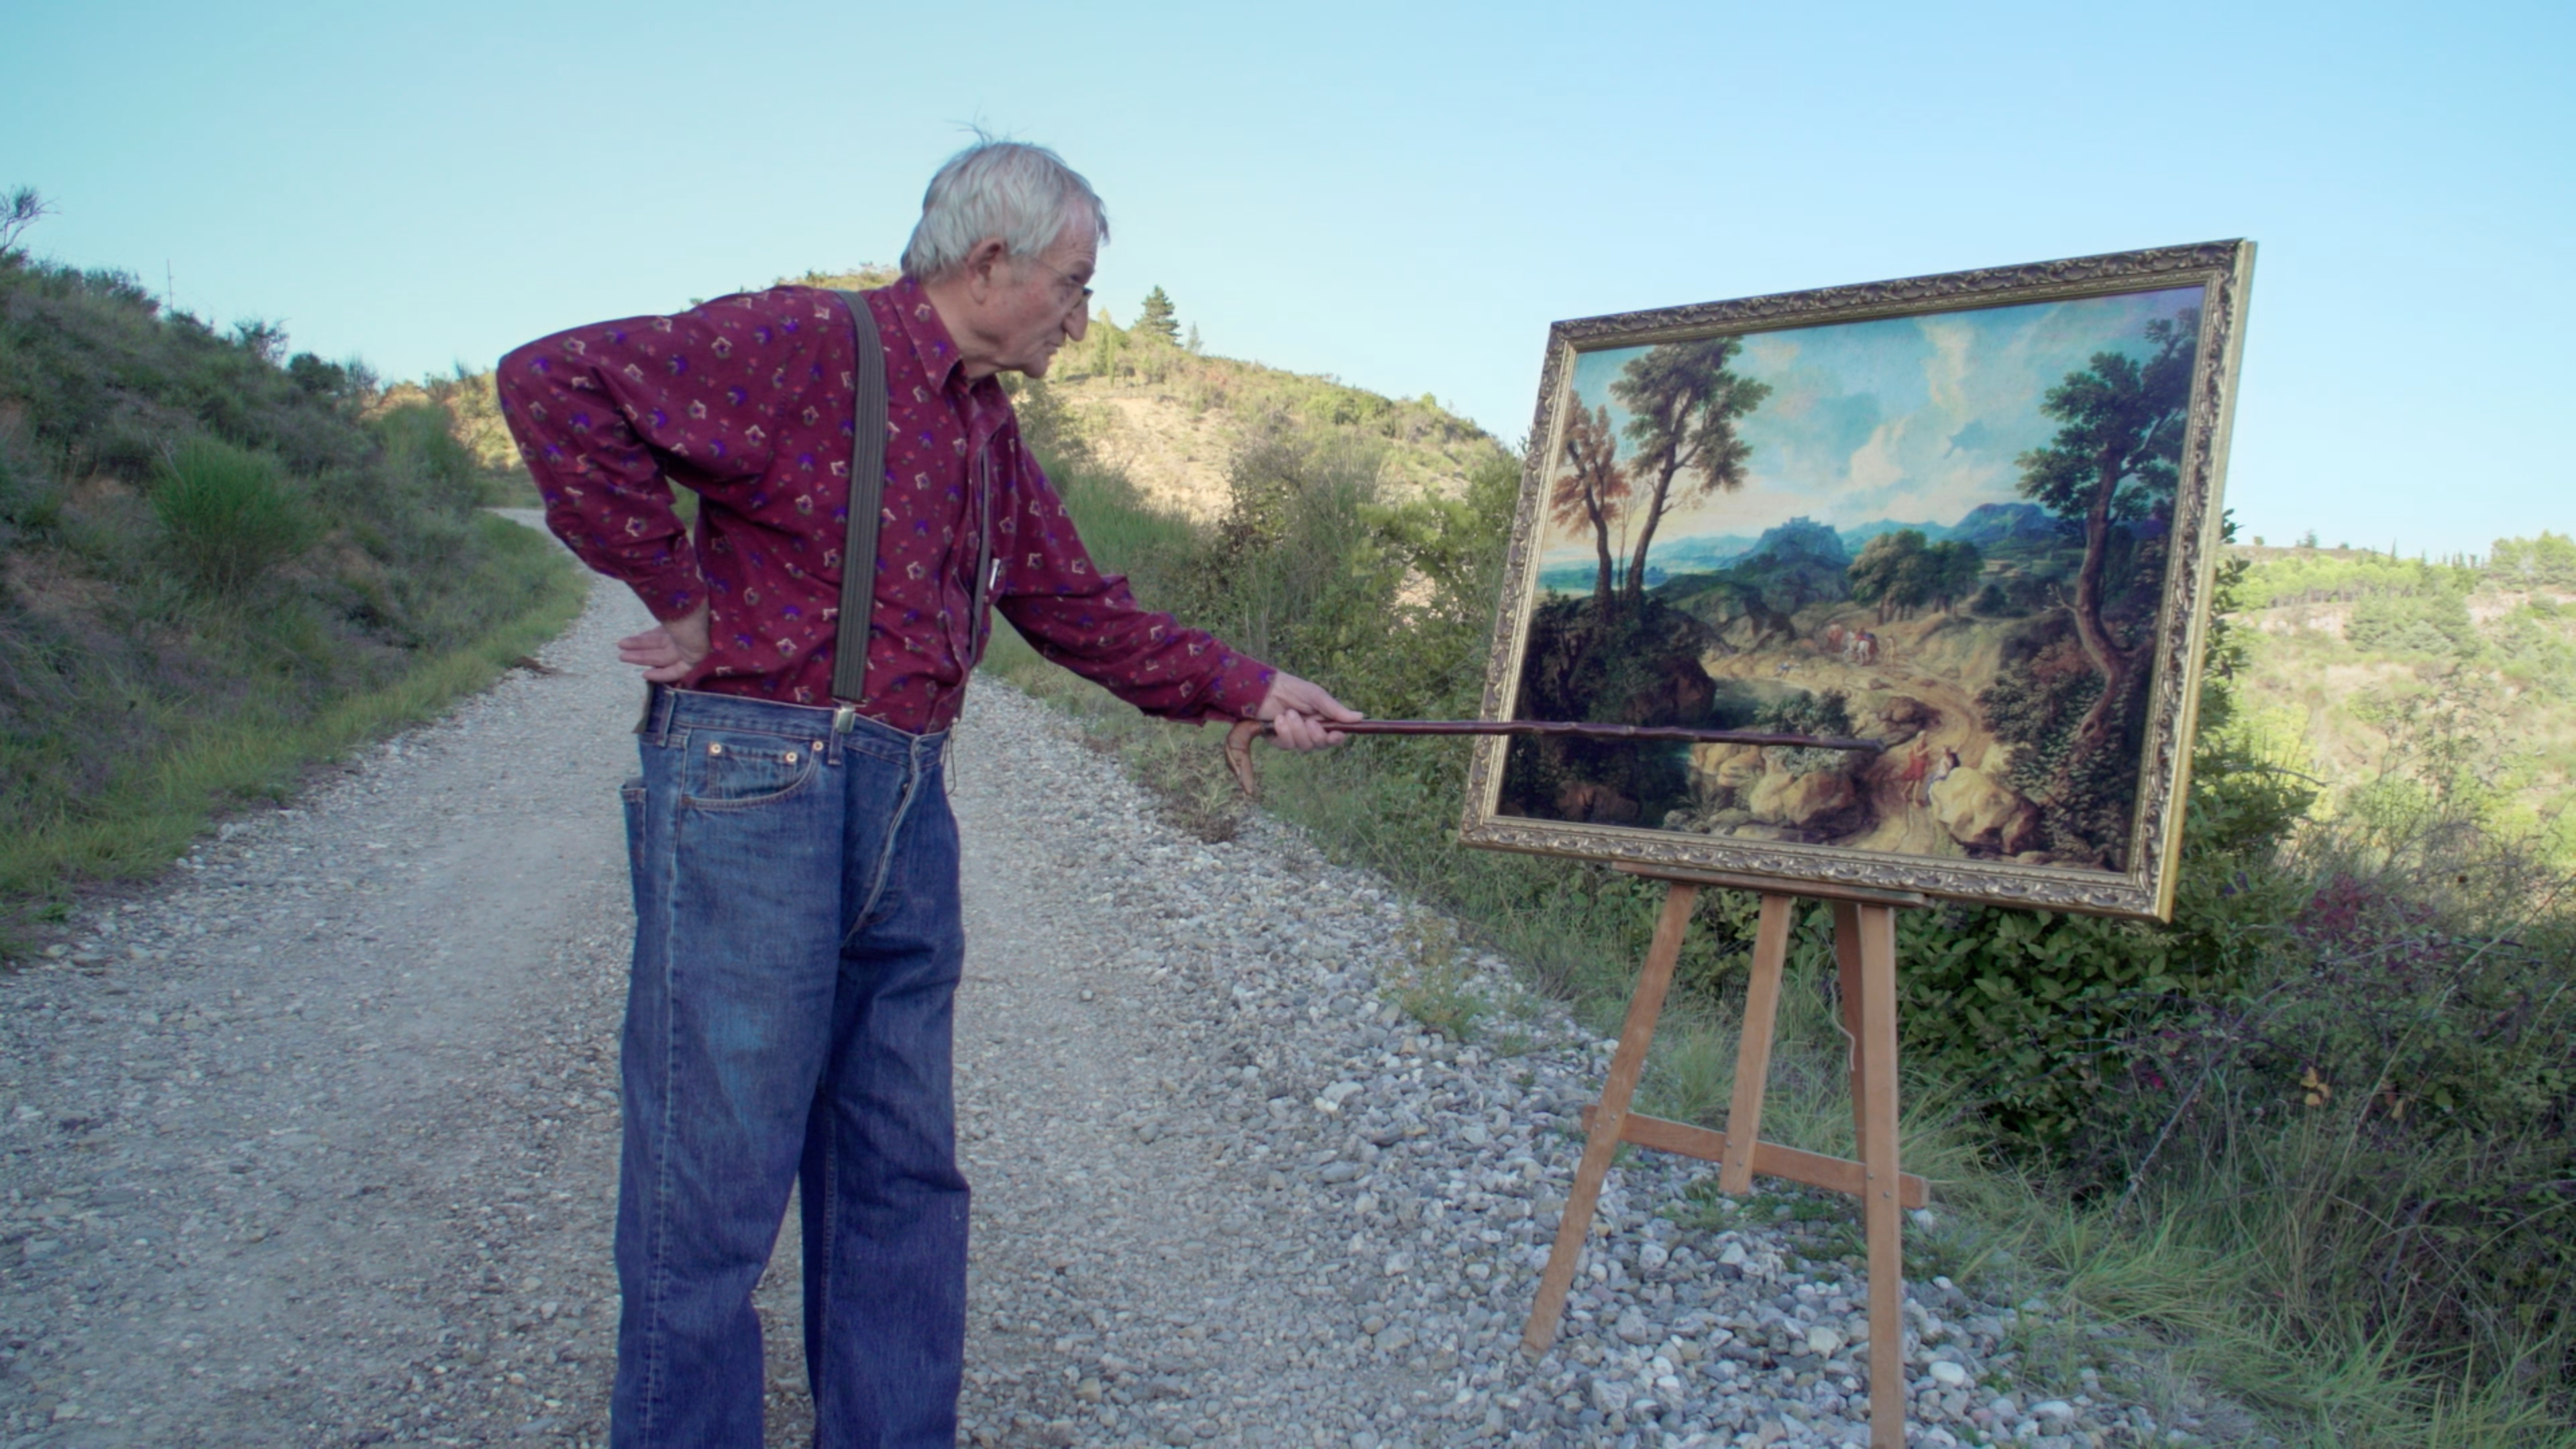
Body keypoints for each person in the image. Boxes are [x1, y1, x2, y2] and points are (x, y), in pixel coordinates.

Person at [496, 138, 1358, 1449]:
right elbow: (551, 383)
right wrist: (670, 589)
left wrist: (1253, 686)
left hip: (906, 799)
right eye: (1072, 284)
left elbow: (1073, 606)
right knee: (713, 1184)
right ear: (991, 261)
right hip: (751, 785)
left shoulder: (985, 428)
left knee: (901, 1168)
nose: (1083, 315)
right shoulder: (800, 342)